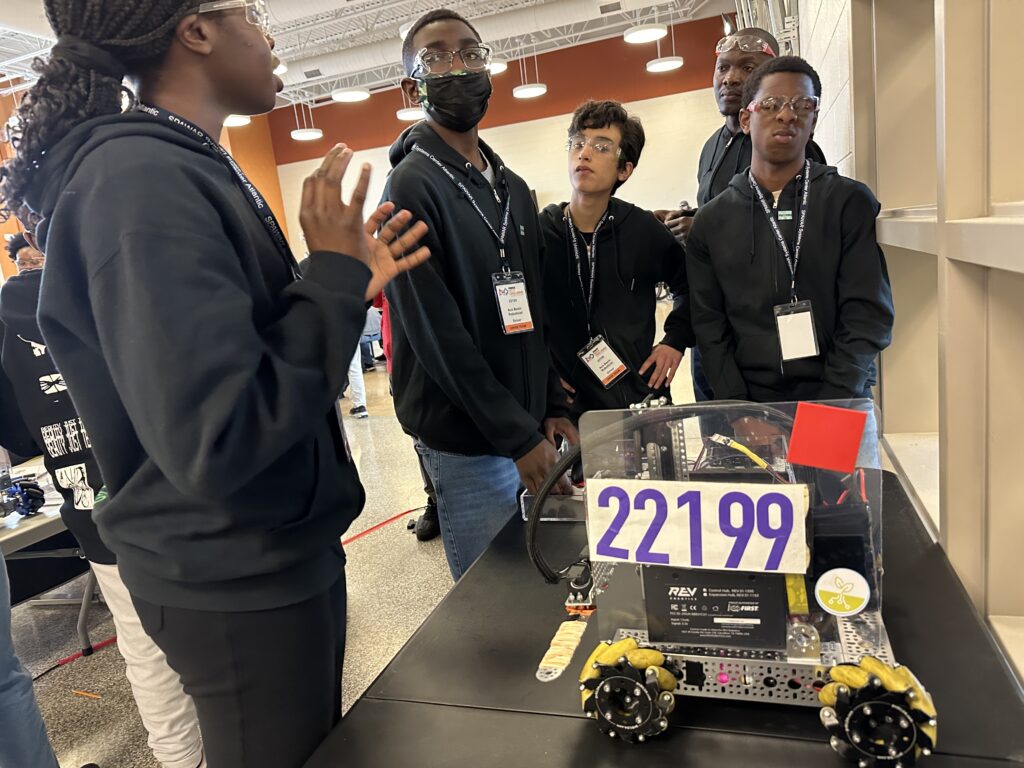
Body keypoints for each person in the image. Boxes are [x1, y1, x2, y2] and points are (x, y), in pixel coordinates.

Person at [0, 1, 430, 765]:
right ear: (195, 30)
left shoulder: (179, 162)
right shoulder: (137, 181)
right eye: (252, 13)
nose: (268, 36)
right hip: (232, 571)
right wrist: (328, 277)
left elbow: (232, 359)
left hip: (265, 549)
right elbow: (220, 434)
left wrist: (340, 285)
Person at [1, 225, 206, 768]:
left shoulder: (6, 320)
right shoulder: (117, 281)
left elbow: (18, 437)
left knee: (144, 649)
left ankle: (180, 760)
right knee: (214, 634)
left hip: (92, 508)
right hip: (174, 496)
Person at [385, 8, 576, 580]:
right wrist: (517, 437)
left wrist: (551, 406)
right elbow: (438, 335)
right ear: (409, 85)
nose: (458, 66)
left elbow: (533, 312)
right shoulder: (410, 186)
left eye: (470, 52)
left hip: (522, 427)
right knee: (490, 598)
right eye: (436, 57)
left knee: (538, 583)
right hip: (468, 441)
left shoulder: (512, 187)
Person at [686, 56, 893, 430]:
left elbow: (868, 315)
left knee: (842, 491)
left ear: (813, 119)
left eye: (802, 105)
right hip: (751, 410)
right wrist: (740, 411)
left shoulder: (848, 202)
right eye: (771, 105)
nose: (787, 115)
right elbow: (709, 328)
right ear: (746, 119)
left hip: (838, 401)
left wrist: (831, 407)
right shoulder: (711, 222)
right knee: (761, 490)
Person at [658, 28, 826, 403]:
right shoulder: (711, 147)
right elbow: (719, 213)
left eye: (747, 67)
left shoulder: (795, 149)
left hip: (770, 329)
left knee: (790, 446)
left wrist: (702, 227)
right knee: (726, 445)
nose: (731, 78)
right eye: (723, 68)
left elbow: (794, 234)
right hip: (715, 328)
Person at [539, 100, 693, 416]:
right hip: (566, 407)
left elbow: (692, 286)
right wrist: (542, 375)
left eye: (602, 147)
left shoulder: (643, 230)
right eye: (578, 143)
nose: (584, 153)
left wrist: (675, 340)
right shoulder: (541, 233)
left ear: (625, 169)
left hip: (638, 397)